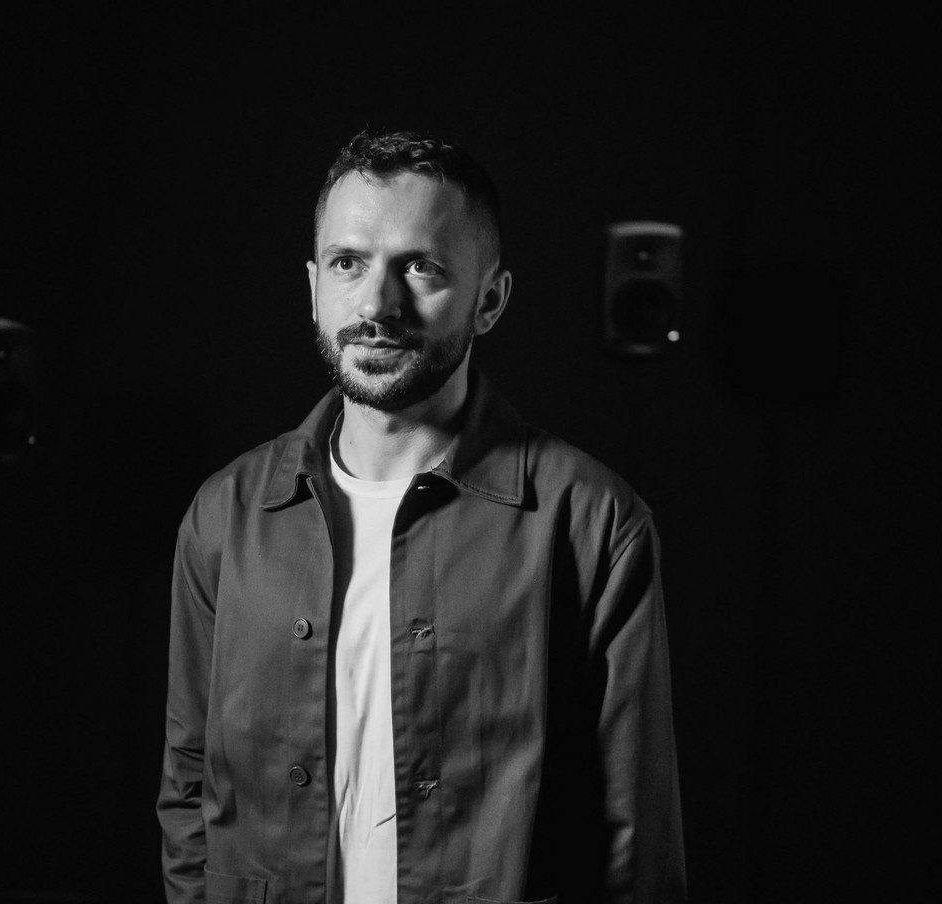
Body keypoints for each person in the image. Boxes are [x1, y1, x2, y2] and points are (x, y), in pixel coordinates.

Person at [157, 129, 685, 904]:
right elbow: (189, 788)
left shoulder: (592, 523)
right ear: (313, 286)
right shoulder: (226, 516)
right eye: (349, 263)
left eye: (421, 267)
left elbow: (635, 843)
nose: (377, 304)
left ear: (490, 300)